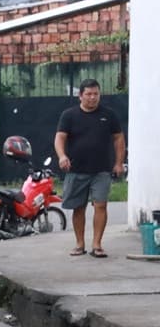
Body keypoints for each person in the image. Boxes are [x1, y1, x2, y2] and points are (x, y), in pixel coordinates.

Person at [54, 78, 125, 258]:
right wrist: (62, 156)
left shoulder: (108, 115)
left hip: (102, 169)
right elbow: (60, 138)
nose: (93, 98)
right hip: (76, 169)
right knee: (79, 208)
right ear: (80, 96)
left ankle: (97, 245)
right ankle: (80, 244)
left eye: (96, 94)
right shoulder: (69, 115)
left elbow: (118, 139)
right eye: (89, 94)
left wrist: (118, 162)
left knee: (100, 205)